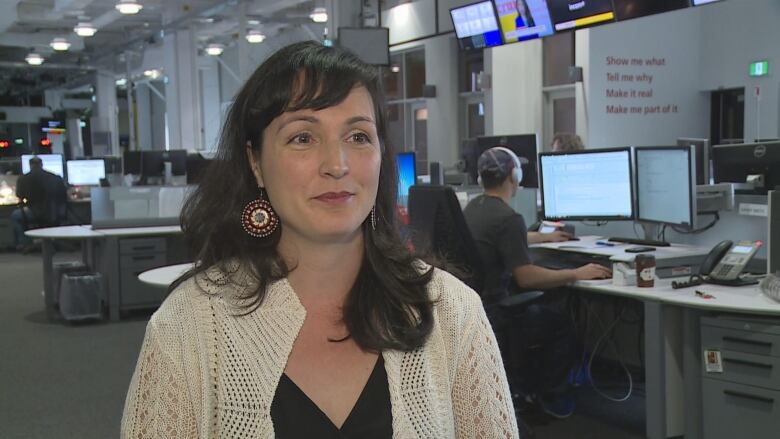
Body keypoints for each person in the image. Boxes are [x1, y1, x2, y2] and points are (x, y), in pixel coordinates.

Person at [121, 41, 519, 438]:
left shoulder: (453, 313)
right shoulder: (186, 327)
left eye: (359, 137)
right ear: (255, 161)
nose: (337, 165)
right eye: (302, 138)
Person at [463, 147, 611, 419]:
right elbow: (527, 277)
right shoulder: (509, 218)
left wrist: (542, 238)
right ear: (514, 176)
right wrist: (577, 273)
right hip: (498, 312)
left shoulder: (476, 208)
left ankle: (524, 389)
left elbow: (500, 239)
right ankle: (546, 395)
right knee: (563, 326)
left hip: (476, 309)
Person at [11, 156, 67, 251]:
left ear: (30, 165)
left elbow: (20, 196)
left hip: (34, 212)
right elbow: (64, 195)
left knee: (15, 216)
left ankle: (24, 243)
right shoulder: (56, 177)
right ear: (42, 165)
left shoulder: (23, 179)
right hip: (55, 212)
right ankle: (55, 241)